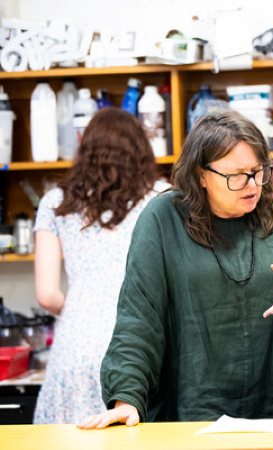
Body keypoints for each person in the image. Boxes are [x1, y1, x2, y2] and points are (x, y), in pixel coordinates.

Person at [78, 111, 273, 429]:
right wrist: (127, 399)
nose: (252, 185)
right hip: (191, 419)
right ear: (200, 175)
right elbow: (139, 323)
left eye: (258, 171)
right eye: (236, 175)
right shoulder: (163, 220)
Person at [33, 108, 170, 424]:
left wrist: (85, 309)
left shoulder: (55, 202)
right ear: (142, 149)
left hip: (76, 344)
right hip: (141, 344)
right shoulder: (161, 198)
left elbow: (47, 295)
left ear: (84, 148)